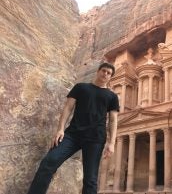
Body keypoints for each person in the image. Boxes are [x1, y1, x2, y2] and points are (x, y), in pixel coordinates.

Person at [27, 62, 119, 194]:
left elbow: (113, 120)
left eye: (109, 73)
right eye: (103, 71)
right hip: (73, 135)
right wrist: (60, 129)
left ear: (111, 77)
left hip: (96, 138)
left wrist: (112, 143)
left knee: (90, 179)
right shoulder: (81, 87)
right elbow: (68, 108)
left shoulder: (112, 96)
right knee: (49, 162)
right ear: (98, 71)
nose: (105, 74)